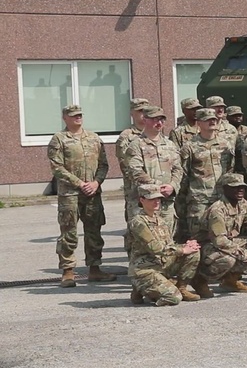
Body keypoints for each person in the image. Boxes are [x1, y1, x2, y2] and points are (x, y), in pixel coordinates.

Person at [48, 104, 114, 287]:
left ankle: (95, 269)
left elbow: (104, 165)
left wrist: (96, 183)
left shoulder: (93, 138)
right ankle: (68, 271)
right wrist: (79, 183)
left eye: (79, 115)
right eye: (73, 115)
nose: (78, 117)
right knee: (68, 233)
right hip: (70, 194)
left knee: (94, 231)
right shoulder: (59, 139)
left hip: (93, 193)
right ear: (65, 118)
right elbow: (56, 167)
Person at [128, 184, 201, 305]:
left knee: (193, 252)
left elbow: (169, 245)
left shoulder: (159, 219)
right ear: (142, 200)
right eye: (152, 199)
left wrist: (186, 245)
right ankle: (143, 288)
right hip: (145, 268)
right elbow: (155, 248)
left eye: (158, 198)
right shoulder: (138, 222)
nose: (156, 202)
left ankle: (181, 288)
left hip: (161, 264)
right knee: (173, 298)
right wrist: (182, 250)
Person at [124, 105, 183, 245]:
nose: (159, 123)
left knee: (167, 239)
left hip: (166, 202)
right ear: (144, 119)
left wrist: (172, 186)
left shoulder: (169, 144)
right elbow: (135, 171)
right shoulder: (136, 145)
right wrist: (158, 187)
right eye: (155, 119)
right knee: (142, 241)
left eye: (162, 119)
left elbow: (178, 169)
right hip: (145, 202)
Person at [199, 173, 247, 293]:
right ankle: (200, 280)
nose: (240, 189)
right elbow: (220, 241)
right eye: (235, 187)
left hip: (225, 243)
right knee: (229, 259)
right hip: (208, 247)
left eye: (242, 187)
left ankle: (230, 281)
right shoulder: (217, 209)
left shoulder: (243, 204)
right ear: (225, 189)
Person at [178, 108, 234, 242]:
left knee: (222, 236)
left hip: (221, 198)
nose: (212, 122)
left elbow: (230, 170)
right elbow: (184, 175)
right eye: (208, 120)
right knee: (199, 237)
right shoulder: (190, 147)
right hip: (199, 200)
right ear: (199, 122)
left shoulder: (225, 145)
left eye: (214, 119)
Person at [116, 98, 148, 226]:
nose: (143, 114)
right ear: (132, 114)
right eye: (140, 111)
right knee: (135, 225)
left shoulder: (154, 133)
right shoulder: (126, 136)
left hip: (154, 190)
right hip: (135, 190)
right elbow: (126, 165)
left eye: (146, 111)